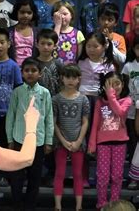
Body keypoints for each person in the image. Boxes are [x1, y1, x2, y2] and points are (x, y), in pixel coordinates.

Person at [6, 57, 54, 210]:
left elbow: (49, 118)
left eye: (34, 70)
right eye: (27, 70)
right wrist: (9, 139)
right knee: (17, 177)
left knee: (34, 177)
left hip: (37, 142)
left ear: (40, 74)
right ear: (22, 73)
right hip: (19, 139)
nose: (30, 73)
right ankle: (17, 205)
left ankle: (30, 206)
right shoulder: (17, 92)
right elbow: (10, 116)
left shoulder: (45, 93)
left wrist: (48, 141)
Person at [88, 71, 132, 210]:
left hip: (120, 142)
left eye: (117, 84)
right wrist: (92, 144)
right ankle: (102, 204)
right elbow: (95, 124)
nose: (114, 88)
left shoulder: (127, 100)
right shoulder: (100, 102)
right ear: (105, 86)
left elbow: (120, 112)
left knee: (117, 176)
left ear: (123, 84)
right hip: (103, 143)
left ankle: (114, 205)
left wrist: (110, 95)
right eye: (110, 85)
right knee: (102, 176)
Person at [0, 28, 23, 186]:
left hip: (7, 113)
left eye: (2, 42)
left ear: (9, 44)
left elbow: (18, 88)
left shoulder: (14, 66)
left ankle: (2, 175)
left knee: (4, 145)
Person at [52, 64, 89, 211]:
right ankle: (58, 206)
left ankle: (79, 206)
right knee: (60, 173)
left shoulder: (83, 99)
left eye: (74, 77)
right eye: (68, 77)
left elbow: (85, 121)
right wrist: (63, 141)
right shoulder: (56, 99)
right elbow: (54, 123)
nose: (71, 80)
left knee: (77, 174)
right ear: (62, 78)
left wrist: (79, 141)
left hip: (78, 142)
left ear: (79, 79)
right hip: (61, 142)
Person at [122, 36, 139, 189]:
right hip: (132, 112)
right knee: (134, 144)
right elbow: (124, 88)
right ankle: (134, 177)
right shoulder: (128, 66)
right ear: (134, 49)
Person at [7, 0, 39, 65]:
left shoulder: (37, 32)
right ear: (16, 12)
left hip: (31, 70)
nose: (25, 15)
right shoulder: (9, 32)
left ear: (33, 14)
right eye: (22, 12)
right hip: (14, 68)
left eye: (29, 13)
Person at [36, 29, 63, 96]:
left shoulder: (58, 63)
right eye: (42, 43)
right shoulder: (33, 63)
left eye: (49, 44)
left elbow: (62, 83)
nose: (45, 47)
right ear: (37, 45)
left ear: (55, 46)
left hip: (54, 101)